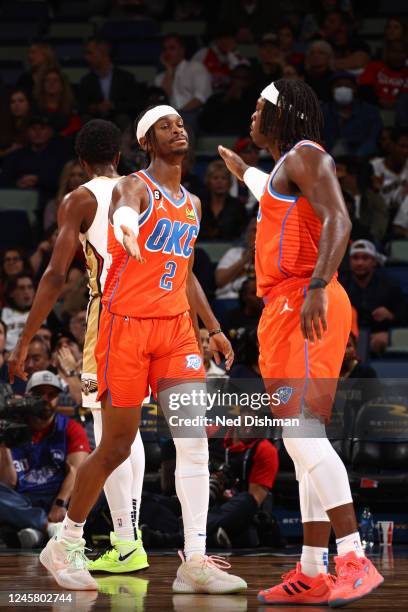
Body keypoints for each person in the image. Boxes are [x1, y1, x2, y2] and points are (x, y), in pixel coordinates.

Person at [27, 104, 246, 594]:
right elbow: (124, 208)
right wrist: (125, 226)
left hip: (176, 333)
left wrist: (213, 327)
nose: (179, 130)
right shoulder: (133, 186)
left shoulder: (190, 202)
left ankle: (194, 561)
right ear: (147, 142)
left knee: (195, 445)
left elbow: (186, 273)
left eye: (182, 124)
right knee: (116, 446)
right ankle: (67, 540)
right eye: (167, 126)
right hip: (124, 328)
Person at [219, 78, 383, 606]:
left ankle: (355, 558)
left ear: (282, 114)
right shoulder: (285, 170)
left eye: (258, 108)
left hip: (305, 298)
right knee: (303, 441)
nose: (250, 117)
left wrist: (316, 285)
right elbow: (269, 190)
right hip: (286, 307)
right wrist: (242, 170)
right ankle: (312, 569)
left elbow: (339, 217)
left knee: (302, 437)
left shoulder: (308, 155)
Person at [8, 120, 148, 575]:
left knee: (111, 435)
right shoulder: (147, 188)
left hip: (111, 318)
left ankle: (121, 540)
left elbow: (53, 276)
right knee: (132, 434)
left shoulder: (80, 198)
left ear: (81, 163)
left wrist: (26, 337)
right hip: (157, 317)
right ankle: (131, 540)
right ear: (121, 157)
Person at [0, 370, 89, 549]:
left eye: (52, 394)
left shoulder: (71, 428)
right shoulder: (11, 426)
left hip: (58, 497)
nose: (46, 399)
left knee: (96, 488)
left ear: (58, 398)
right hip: (23, 499)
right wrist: (3, 441)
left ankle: (34, 531)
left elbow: (77, 471)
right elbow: (8, 482)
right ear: (28, 396)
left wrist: (59, 503)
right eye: (39, 394)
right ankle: (46, 527)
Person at [339, 240, 407, 355]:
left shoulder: (389, 286)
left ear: (374, 262)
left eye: (365, 258)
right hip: (348, 338)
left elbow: (404, 316)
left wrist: (391, 316)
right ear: (349, 261)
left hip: (378, 336)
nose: (360, 263)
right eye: (355, 258)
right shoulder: (341, 287)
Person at [78, 37, 140, 126]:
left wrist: (113, 106)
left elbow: (135, 104)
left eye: (90, 53)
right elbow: (81, 106)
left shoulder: (126, 78)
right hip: (96, 120)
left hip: (119, 121)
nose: (86, 57)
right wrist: (96, 107)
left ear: (103, 51)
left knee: (123, 119)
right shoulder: (86, 80)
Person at [155, 35, 212, 125]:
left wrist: (178, 115)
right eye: (165, 49)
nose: (168, 52)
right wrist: (169, 70)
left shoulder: (196, 67)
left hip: (194, 115)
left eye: (172, 48)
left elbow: (200, 98)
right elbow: (163, 98)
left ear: (182, 50)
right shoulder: (161, 77)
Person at [323, 72, 382, 158]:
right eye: (338, 86)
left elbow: (374, 138)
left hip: (361, 160)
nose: (343, 89)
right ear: (332, 89)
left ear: (355, 89)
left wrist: (357, 157)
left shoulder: (370, 112)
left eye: (347, 86)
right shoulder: (322, 112)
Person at [199, 160, 246, 240]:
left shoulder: (237, 206)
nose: (219, 182)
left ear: (229, 182)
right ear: (208, 181)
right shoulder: (200, 205)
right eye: (215, 178)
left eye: (223, 178)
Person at [359, 40, 408, 109]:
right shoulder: (374, 66)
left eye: (401, 52)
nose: (397, 55)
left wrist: (398, 103)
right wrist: (379, 101)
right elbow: (364, 89)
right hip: (374, 108)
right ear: (387, 53)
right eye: (394, 51)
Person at [34, 67, 81, 136]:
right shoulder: (35, 106)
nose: (51, 83)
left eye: (55, 80)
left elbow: (75, 126)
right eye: (47, 80)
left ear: (62, 86)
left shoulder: (71, 106)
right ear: (43, 85)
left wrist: (60, 136)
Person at [370, 127, 408, 214]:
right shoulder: (373, 167)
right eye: (402, 146)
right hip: (378, 218)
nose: (406, 151)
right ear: (391, 145)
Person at [1, 274, 35, 352]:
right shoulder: (3, 313)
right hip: (7, 355)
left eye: (30, 287)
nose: (26, 292)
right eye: (21, 288)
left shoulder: (44, 312)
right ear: (11, 293)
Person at [0, 88, 32, 159]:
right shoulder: (3, 125)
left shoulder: (34, 125)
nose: (16, 105)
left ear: (28, 103)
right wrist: (8, 151)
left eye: (21, 101)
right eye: (12, 102)